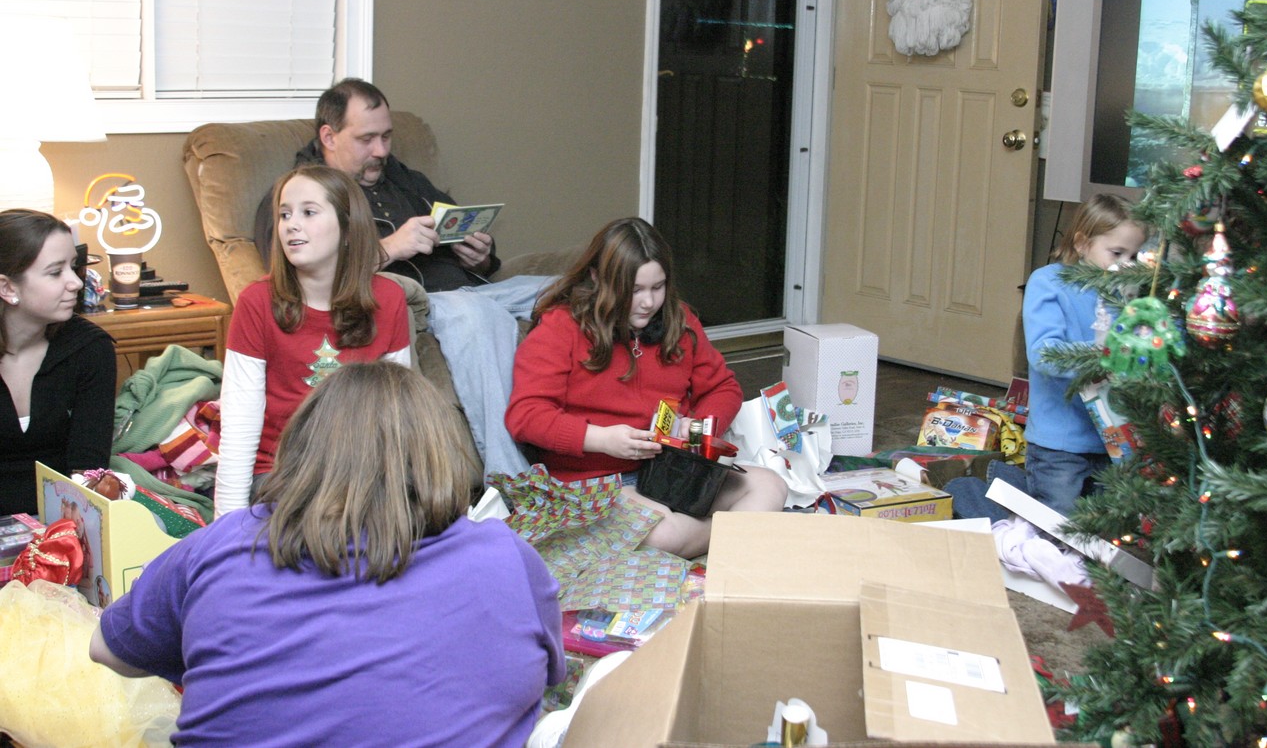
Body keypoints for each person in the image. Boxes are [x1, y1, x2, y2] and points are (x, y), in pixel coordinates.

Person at [91, 360, 565, 746]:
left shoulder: (222, 542)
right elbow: (542, 678)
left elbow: (106, 649)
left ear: (301, 448)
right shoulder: (508, 556)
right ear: (441, 454)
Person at [255, 78, 548, 479]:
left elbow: (464, 232)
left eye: (387, 136)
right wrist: (389, 248)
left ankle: (602, 456)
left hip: (474, 287)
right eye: (367, 139)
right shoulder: (299, 201)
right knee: (474, 313)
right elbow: (295, 271)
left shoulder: (405, 179)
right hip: (430, 302)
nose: (381, 151)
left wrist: (480, 256)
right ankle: (512, 480)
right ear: (329, 136)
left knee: (577, 287)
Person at [505, 217, 787, 559]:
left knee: (771, 485)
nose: (648, 302)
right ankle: (736, 535)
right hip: (595, 481)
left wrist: (699, 427)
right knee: (662, 532)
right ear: (597, 279)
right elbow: (526, 416)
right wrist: (601, 439)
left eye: (658, 287)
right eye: (634, 290)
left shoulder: (680, 320)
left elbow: (723, 388)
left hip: (670, 471)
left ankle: (707, 538)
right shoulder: (560, 327)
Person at [215, 165, 411, 517]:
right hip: (282, 473)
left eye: (308, 212)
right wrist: (225, 527)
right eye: (285, 214)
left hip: (363, 473)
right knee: (329, 518)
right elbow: (239, 426)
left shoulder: (389, 298)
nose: (291, 224)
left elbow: (399, 417)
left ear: (348, 228)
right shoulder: (256, 301)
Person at [1022, 192, 1146, 517]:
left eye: (1134, 255)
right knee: (1056, 521)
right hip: (1059, 444)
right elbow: (1043, 354)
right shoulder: (1049, 282)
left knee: (1109, 525)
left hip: (1115, 442)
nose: (1127, 265)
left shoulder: (1128, 296)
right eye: (1116, 253)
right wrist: (1106, 356)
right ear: (1081, 243)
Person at [0, 209, 115, 514]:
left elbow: (88, 468)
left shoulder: (90, 349)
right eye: (55, 272)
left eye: (73, 266)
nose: (75, 282)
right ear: (7, 288)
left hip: (64, 515)